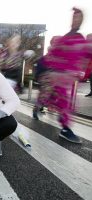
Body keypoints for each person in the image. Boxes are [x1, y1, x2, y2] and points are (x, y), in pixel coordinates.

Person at [36, 7, 87, 143]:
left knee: (60, 101)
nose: (76, 21)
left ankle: (41, 104)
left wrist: (82, 71)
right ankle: (65, 129)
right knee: (64, 103)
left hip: (69, 78)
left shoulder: (81, 39)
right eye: (74, 18)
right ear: (71, 21)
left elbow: (85, 56)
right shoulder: (64, 39)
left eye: (79, 18)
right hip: (57, 76)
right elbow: (50, 57)